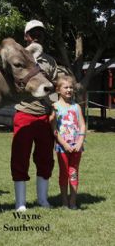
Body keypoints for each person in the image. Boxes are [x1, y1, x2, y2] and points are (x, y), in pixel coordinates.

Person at [11, 20, 58, 211]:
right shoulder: (16, 59)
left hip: (45, 116)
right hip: (24, 113)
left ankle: (42, 199)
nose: (37, 36)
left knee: (45, 158)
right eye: (33, 33)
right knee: (20, 158)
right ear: (26, 36)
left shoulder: (50, 61)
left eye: (40, 33)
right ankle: (20, 202)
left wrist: (57, 107)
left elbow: (55, 87)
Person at [51, 73, 85, 209]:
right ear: (58, 90)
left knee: (73, 171)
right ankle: (64, 201)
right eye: (65, 87)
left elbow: (82, 124)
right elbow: (53, 128)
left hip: (77, 147)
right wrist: (64, 144)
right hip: (62, 147)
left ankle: (73, 201)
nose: (69, 90)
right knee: (64, 172)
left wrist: (80, 141)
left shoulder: (77, 107)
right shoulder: (55, 107)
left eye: (71, 87)